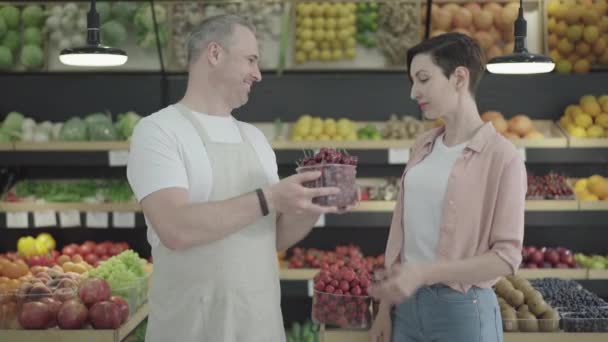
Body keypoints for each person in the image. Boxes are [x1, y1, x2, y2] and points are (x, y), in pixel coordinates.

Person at [127, 15, 348, 342]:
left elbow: (273, 238)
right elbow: (175, 228)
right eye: (251, 60)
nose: (258, 74)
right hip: (191, 329)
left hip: (260, 325)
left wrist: (314, 204)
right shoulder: (159, 131)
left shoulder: (255, 138)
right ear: (214, 54)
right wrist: (270, 197)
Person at [368, 32, 526, 342]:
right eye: (412, 81)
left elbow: (506, 258)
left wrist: (425, 273)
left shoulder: (502, 157)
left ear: (459, 77)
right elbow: (401, 235)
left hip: (463, 311)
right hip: (407, 309)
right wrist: (384, 310)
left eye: (424, 79)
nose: (414, 92)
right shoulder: (423, 146)